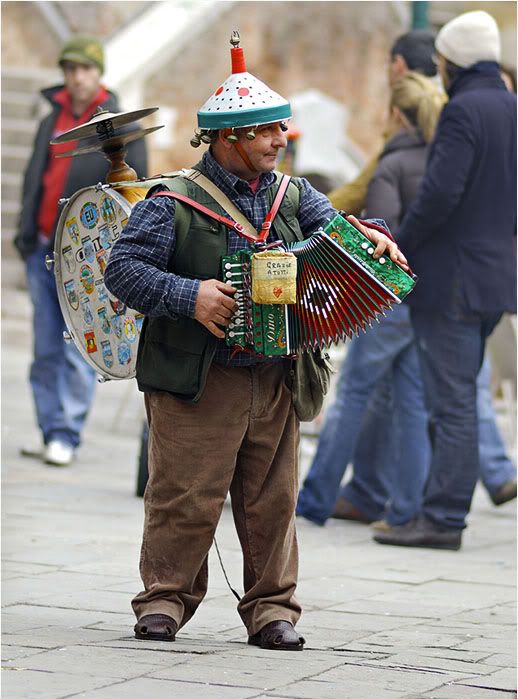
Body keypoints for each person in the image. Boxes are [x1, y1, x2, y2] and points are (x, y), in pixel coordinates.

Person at [103, 33, 407, 649]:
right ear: (228, 138)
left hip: (276, 374)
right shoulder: (174, 201)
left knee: (272, 501)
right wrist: (192, 296)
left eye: (281, 129)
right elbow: (122, 269)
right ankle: (164, 599)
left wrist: (372, 235)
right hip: (198, 375)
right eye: (267, 130)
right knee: (184, 495)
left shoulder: (294, 196)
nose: (279, 140)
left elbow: (337, 231)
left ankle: (272, 610)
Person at [373, 11, 516, 550]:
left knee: (451, 403)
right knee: (462, 397)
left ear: (451, 65)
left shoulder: (462, 111)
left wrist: (401, 245)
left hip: (452, 278)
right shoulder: (511, 106)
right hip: (495, 278)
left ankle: (442, 518)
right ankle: (440, 511)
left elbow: (440, 193)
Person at [296, 72, 445, 528]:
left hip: (392, 299)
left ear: (395, 115)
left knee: (352, 397)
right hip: (430, 300)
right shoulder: (443, 161)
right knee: (413, 403)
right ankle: (404, 511)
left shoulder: (392, 165)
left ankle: (316, 499)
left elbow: (380, 236)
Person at [14, 34, 148, 467]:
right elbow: (36, 175)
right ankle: (49, 426)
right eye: (70, 70)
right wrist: (23, 229)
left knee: (79, 342)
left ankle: (67, 432)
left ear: (99, 73)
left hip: (86, 256)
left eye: (85, 69)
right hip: (41, 247)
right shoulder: (51, 116)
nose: (77, 78)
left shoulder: (120, 123)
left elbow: (134, 189)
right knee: (45, 347)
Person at [327, 29, 437, 216]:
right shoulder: (450, 111)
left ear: (399, 65)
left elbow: (360, 192)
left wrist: (310, 211)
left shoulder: (399, 149)